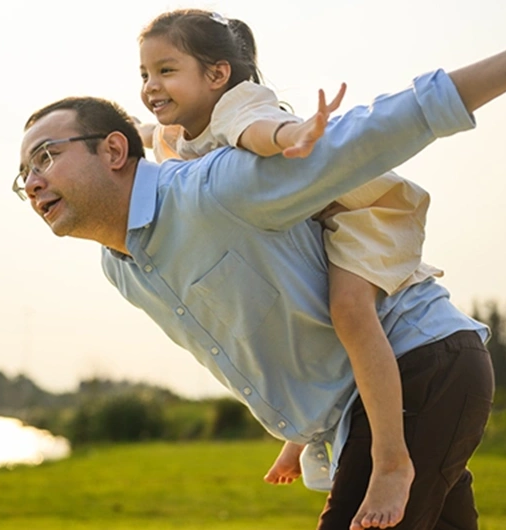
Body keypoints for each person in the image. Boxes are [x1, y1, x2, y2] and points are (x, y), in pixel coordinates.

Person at [12, 22, 506, 530]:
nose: (32, 182)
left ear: (112, 152)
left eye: (45, 157)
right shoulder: (122, 266)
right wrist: (297, 434)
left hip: (423, 363)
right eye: (24, 174)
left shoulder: (214, 188)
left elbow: (368, 133)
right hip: (364, 409)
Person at [134, 9, 440, 528]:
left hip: (362, 216)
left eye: (166, 70)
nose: (151, 85)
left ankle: (391, 460)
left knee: (346, 310)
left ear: (216, 75)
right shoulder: (181, 133)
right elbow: (145, 133)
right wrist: (107, 134)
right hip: (311, 226)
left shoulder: (238, 105)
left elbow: (260, 130)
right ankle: (304, 434)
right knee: (296, 314)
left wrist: (293, 136)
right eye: (144, 74)